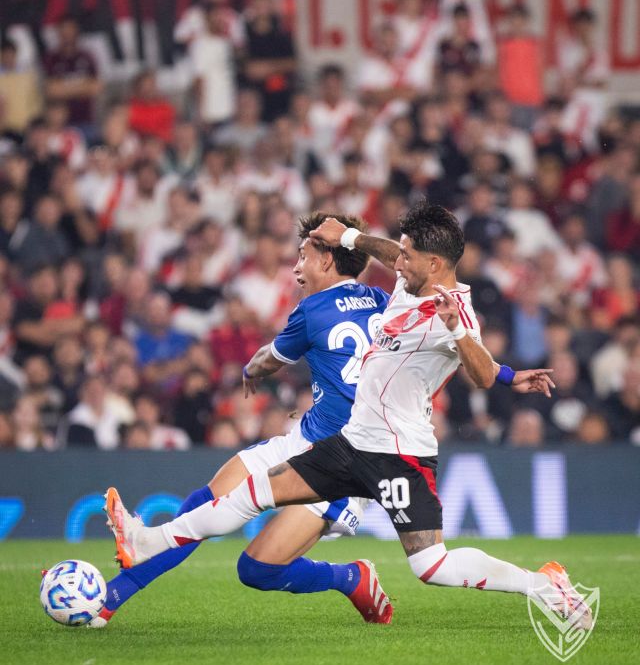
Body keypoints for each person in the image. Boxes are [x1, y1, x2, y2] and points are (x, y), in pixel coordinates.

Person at [106, 203, 593, 630]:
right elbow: (391, 255)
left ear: (434, 264)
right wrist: (352, 238)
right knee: (250, 494)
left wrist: (468, 342)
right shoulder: (405, 285)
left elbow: (480, 373)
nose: (396, 262)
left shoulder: (454, 312)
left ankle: (542, 584)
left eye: (407, 255)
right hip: (349, 442)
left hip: (397, 455)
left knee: (431, 565)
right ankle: (147, 541)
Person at [94, 212, 393, 627]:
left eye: (303, 256)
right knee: (204, 506)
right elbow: (409, 267)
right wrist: (356, 239)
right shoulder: (382, 299)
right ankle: (110, 598)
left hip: (341, 467)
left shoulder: (312, 310)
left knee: (257, 570)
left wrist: (251, 368)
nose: (296, 267)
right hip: (305, 438)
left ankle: (351, 577)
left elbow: (267, 360)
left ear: (326, 259)